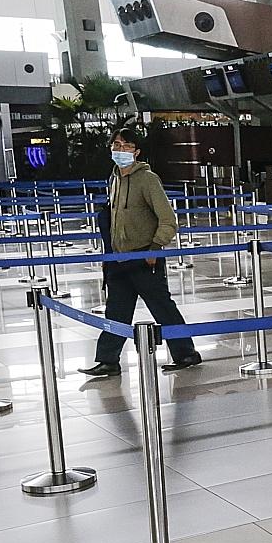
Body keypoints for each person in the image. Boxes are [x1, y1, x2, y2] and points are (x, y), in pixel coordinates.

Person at [77, 128, 201, 376]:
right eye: (116, 145)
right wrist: (108, 256)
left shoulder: (147, 179)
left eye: (126, 146)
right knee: (116, 310)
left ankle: (186, 353)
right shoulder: (114, 179)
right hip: (118, 258)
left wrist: (155, 248)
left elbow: (168, 220)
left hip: (144, 256)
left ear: (137, 151)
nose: (120, 150)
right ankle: (108, 360)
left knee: (161, 306)